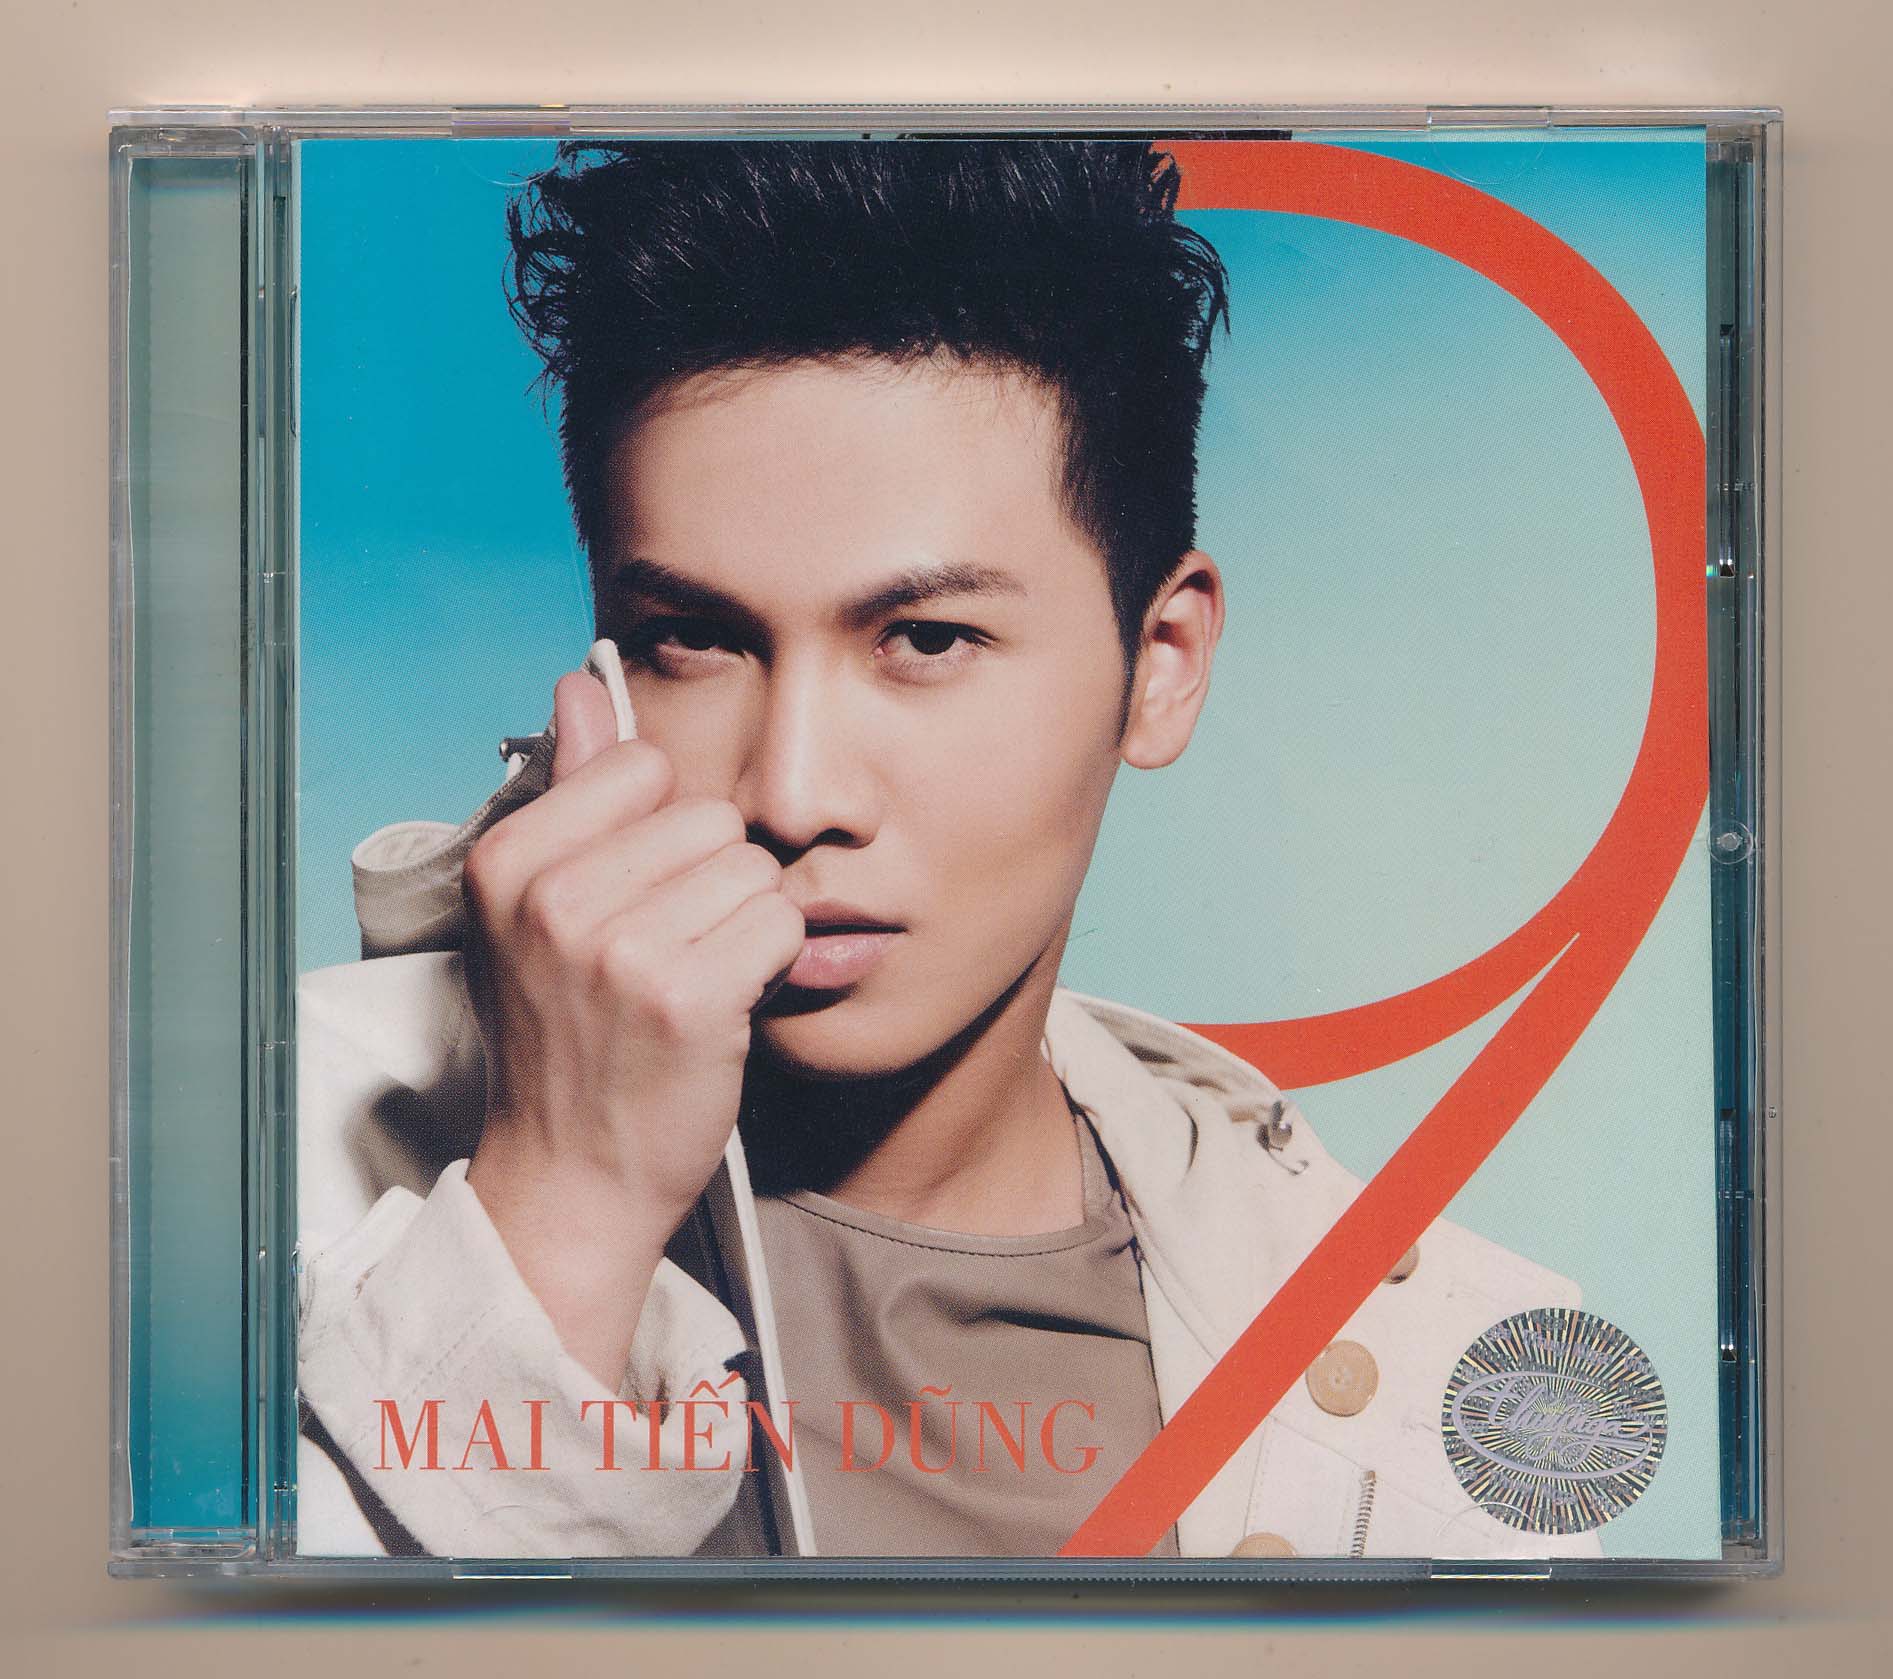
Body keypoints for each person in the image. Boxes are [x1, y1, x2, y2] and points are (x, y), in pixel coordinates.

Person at [295, 139, 1600, 1561]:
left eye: (925, 639)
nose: (793, 792)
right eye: (695, 639)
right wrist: (568, 1207)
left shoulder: (1439, 1389)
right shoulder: (264, 1157)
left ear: (1160, 665)